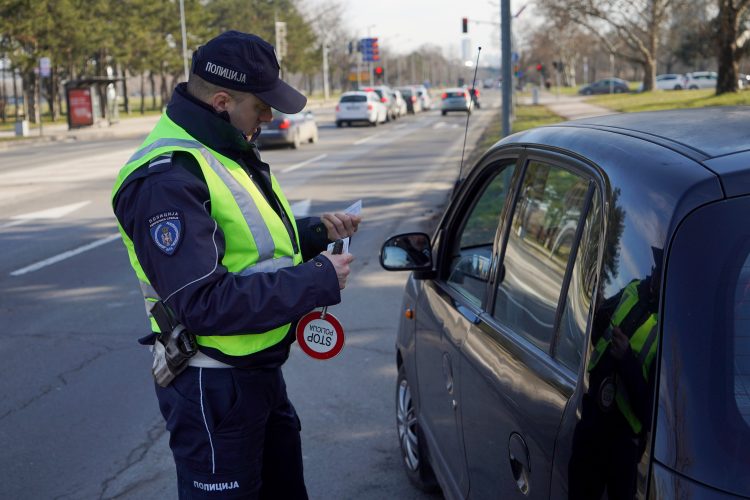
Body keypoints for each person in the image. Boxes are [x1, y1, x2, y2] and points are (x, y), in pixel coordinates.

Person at [111, 31, 361, 499]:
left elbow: (246, 248)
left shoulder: (221, 147)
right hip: (213, 388)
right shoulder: (167, 177)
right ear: (222, 101)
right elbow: (203, 302)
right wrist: (317, 280)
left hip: (256, 375)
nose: (270, 116)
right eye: (261, 105)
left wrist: (314, 235)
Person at [568, 248, 663, 499]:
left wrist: (627, 360)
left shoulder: (666, 328)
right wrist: (598, 308)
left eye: (660, 277)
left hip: (623, 446)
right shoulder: (632, 289)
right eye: (654, 271)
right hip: (592, 422)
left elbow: (651, 411)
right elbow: (598, 328)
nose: (653, 279)